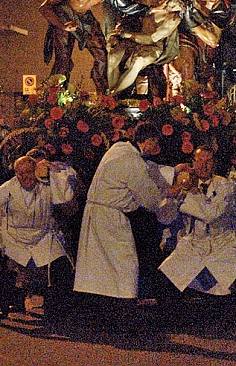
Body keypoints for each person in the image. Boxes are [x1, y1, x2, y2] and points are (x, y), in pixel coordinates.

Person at [73, 122, 176, 324]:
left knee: (102, 267)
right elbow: (149, 199)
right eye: (154, 143)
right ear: (147, 141)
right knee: (126, 264)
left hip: (98, 214)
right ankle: (124, 317)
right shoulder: (132, 161)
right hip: (111, 217)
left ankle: (105, 314)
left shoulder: (118, 149)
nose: (154, 149)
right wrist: (168, 196)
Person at [0, 155, 77, 326]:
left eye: (28, 172)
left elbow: (64, 197)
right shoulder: (7, 189)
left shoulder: (47, 185)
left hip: (43, 237)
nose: (25, 177)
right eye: (19, 174)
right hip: (13, 239)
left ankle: (58, 311)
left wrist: (52, 171)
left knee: (62, 266)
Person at [40, 0, 149, 93]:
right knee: (63, 60)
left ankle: (103, 96)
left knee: (102, 56)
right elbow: (45, 7)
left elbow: (125, 6)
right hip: (64, 16)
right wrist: (62, 25)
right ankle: (55, 97)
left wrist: (148, 10)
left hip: (85, 19)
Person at [158, 145, 236, 298]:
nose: (203, 165)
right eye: (200, 160)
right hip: (192, 244)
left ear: (214, 163)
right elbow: (164, 216)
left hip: (221, 243)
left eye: (208, 161)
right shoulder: (183, 184)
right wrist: (173, 195)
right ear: (193, 163)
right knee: (166, 278)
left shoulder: (225, 185)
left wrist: (188, 193)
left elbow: (211, 214)